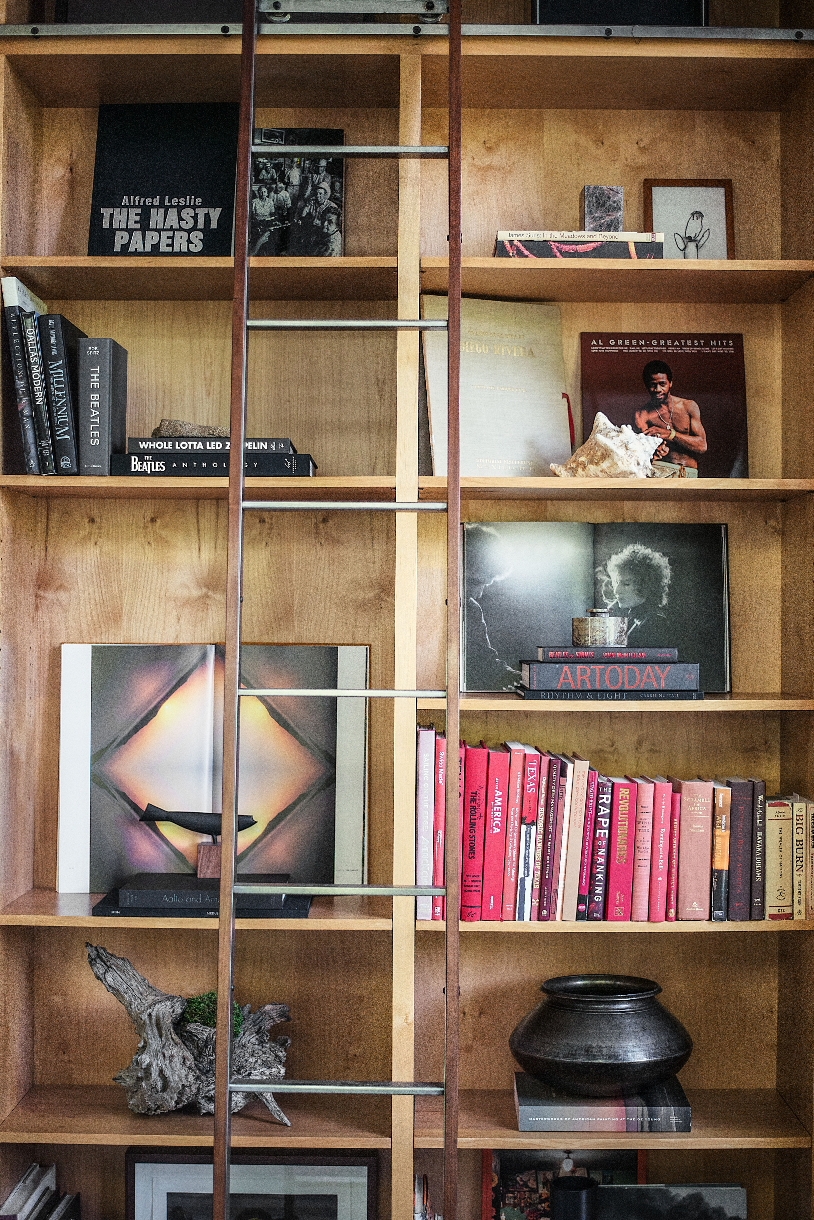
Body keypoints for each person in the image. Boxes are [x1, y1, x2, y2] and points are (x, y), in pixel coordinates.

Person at [633, 358, 707, 472]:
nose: (658, 389)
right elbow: (640, 453)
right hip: (660, 472)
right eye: (652, 385)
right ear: (647, 386)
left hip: (689, 472)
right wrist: (654, 451)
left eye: (662, 384)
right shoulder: (642, 415)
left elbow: (702, 446)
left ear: (670, 383)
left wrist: (669, 434)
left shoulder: (688, 406)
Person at [600, 542, 671, 646]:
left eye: (626, 584)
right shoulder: (632, 618)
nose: (616, 591)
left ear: (646, 585)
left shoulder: (653, 623)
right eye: (616, 583)